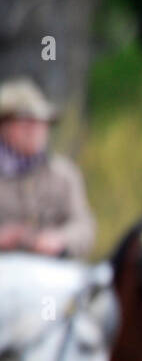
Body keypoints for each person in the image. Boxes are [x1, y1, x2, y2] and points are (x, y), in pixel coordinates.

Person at [0, 77, 95, 258]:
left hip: (53, 274)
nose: (36, 129)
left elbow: (84, 225)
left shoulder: (64, 174)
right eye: (26, 122)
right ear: (3, 126)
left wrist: (61, 240)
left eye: (41, 122)